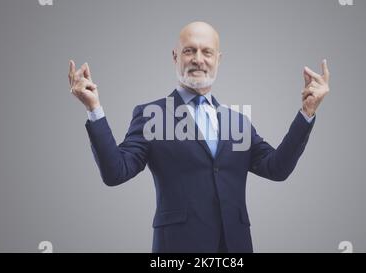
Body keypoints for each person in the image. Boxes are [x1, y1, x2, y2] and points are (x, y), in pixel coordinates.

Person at [68, 21, 330, 253]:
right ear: (175, 56)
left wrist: (307, 112)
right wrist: (94, 109)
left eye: (207, 52)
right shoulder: (152, 115)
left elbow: (277, 168)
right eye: (189, 50)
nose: (198, 59)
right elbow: (116, 172)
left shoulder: (237, 121)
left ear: (218, 59)